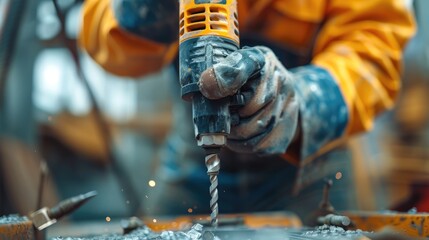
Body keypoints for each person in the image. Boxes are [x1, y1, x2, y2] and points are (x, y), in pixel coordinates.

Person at [79, 0, 415, 220]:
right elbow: (99, 32)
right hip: (190, 163)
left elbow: (375, 46)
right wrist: (143, 11)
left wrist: (305, 100)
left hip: (309, 167)